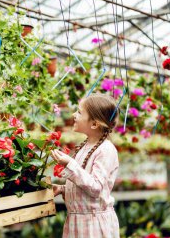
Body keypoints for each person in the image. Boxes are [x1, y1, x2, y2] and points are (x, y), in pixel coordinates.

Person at [51, 93, 120, 238]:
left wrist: (69, 163)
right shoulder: (85, 146)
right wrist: (63, 189)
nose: (74, 115)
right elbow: (85, 185)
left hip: (94, 225)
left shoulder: (106, 150)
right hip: (77, 221)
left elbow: (95, 188)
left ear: (94, 124)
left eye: (80, 112)